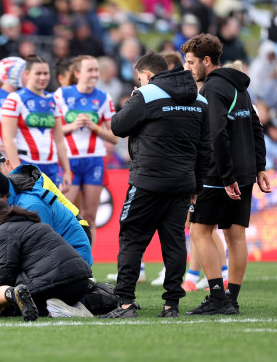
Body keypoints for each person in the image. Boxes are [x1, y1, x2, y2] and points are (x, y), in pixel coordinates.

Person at [99, 52, 212, 319]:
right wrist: (197, 186)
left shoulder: (146, 95)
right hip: (182, 184)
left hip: (147, 182)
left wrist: (134, 97)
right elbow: (206, 148)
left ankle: (125, 303)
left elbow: (117, 127)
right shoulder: (200, 99)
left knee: (132, 239)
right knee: (174, 244)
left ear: (147, 76)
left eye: (139, 78)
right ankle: (171, 305)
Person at [181, 34, 271, 315]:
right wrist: (259, 167)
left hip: (218, 175)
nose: (189, 67)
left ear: (207, 61)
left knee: (198, 230)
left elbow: (216, 134)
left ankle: (218, 297)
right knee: (235, 235)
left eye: (191, 61)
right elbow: (256, 127)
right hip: (243, 173)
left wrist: (227, 176)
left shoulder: (212, 89)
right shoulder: (240, 87)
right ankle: (231, 297)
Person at [0, 198, 92, 316]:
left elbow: (5, 269)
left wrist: (0, 297)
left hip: (59, 285)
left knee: (15, 307)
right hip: (80, 281)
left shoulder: (0, 232)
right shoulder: (32, 223)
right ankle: (69, 306)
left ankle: (52, 310)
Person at [0, 166, 92, 267]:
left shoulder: (31, 205)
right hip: (46, 255)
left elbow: (41, 250)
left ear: (1, 195)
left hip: (72, 257)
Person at [54, 55, 117, 247]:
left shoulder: (104, 97)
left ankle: (86, 266)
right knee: (65, 214)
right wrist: (72, 126)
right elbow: (51, 130)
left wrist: (95, 127)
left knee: (90, 216)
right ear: (77, 73)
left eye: (96, 70)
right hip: (69, 159)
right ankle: (61, 262)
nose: (95, 74)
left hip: (94, 160)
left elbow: (115, 136)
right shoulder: (61, 95)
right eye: (90, 70)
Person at [1, 54, 72, 187]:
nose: (43, 77)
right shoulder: (15, 99)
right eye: (38, 73)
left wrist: (66, 171)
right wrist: (17, 171)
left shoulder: (53, 100)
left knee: (50, 207)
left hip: (51, 165)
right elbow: (8, 138)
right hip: (26, 163)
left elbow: (59, 139)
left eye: (46, 73)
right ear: (27, 73)